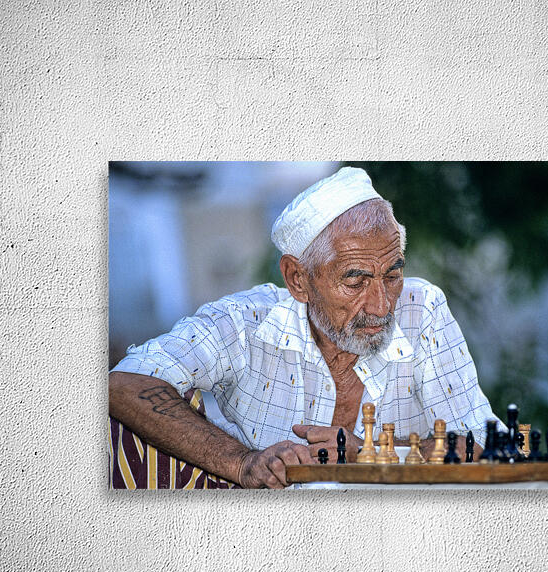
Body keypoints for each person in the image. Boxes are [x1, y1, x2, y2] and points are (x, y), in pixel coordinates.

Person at [109, 167, 502, 488]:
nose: (382, 305)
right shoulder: (245, 324)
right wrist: (243, 463)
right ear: (298, 279)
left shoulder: (422, 309)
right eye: (355, 280)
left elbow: (487, 444)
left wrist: (372, 451)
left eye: (392, 275)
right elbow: (125, 383)